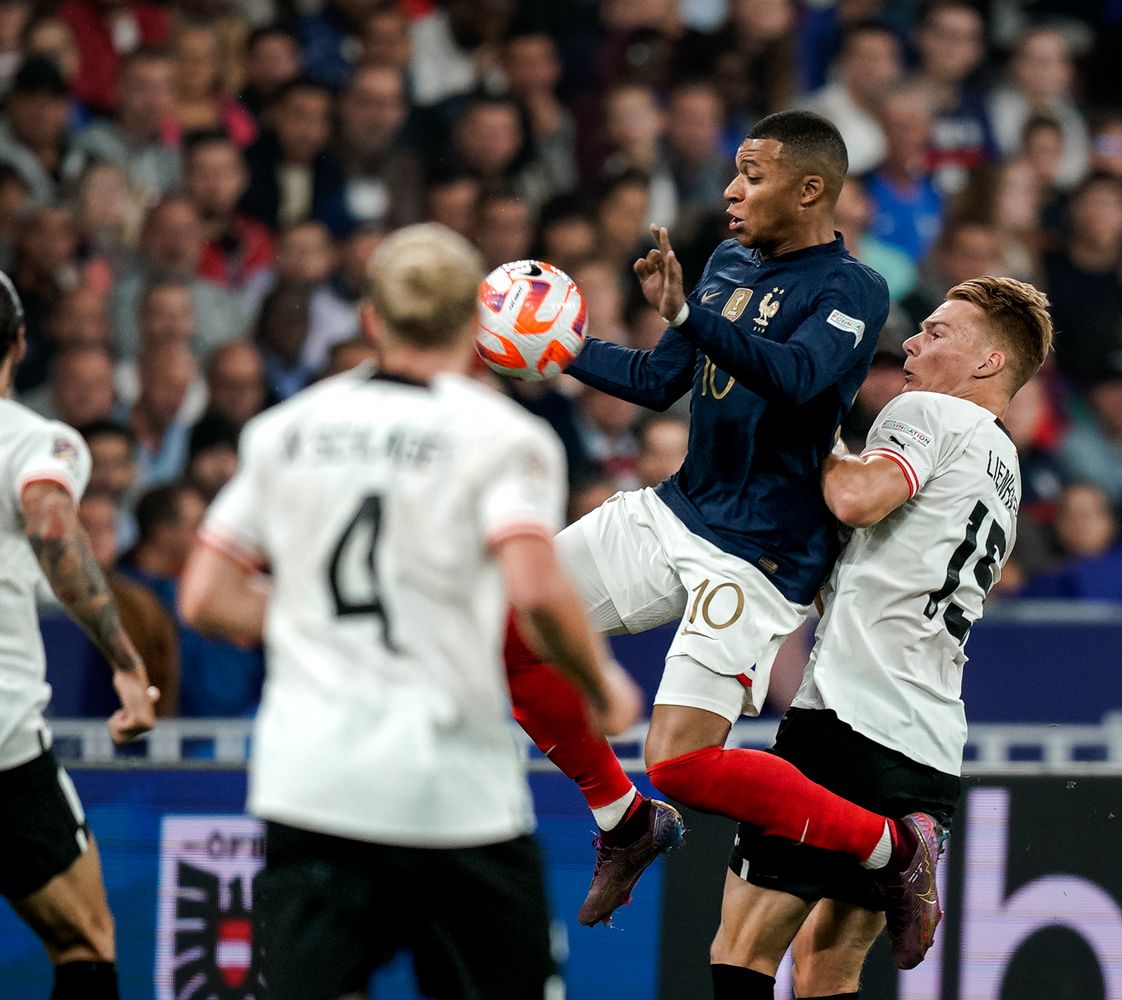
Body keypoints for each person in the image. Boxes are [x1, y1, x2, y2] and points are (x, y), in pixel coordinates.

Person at [498, 112, 959, 959]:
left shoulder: (852, 290)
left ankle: (899, 848)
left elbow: (796, 380)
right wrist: (559, 346)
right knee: (502, 623)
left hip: (760, 554)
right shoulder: (727, 262)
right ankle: (624, 821)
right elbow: (661, 378)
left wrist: (684, 316)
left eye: (752, 174)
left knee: (682, 764)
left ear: (810, 188)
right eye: (735, 173)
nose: (731, 191)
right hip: (678, 508)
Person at [177, 224, 639, 1000]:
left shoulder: (284, 431)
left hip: (310, 785)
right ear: (473, 325)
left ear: (370, 319)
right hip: (450, 794)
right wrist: (602, 683)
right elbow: (533, 585)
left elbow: (205, 595)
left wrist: (307, 619)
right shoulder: (503, 436)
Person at [708, 276, 1052, 995]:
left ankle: (902, 850)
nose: (913, 342)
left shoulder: (924, 411)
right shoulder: (1007, 466)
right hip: (927, 747)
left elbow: (858, 498)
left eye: (938, 332)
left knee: (742, 949)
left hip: (846, 718)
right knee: (827, 970)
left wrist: (813, 422)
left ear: (989, 364)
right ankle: (909, 847)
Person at [0, 270, 159, 1000]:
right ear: (21, 345)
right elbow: (47, 520)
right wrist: (125, 662)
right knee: (84, 937)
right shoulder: (35, 439)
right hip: (2, 749)